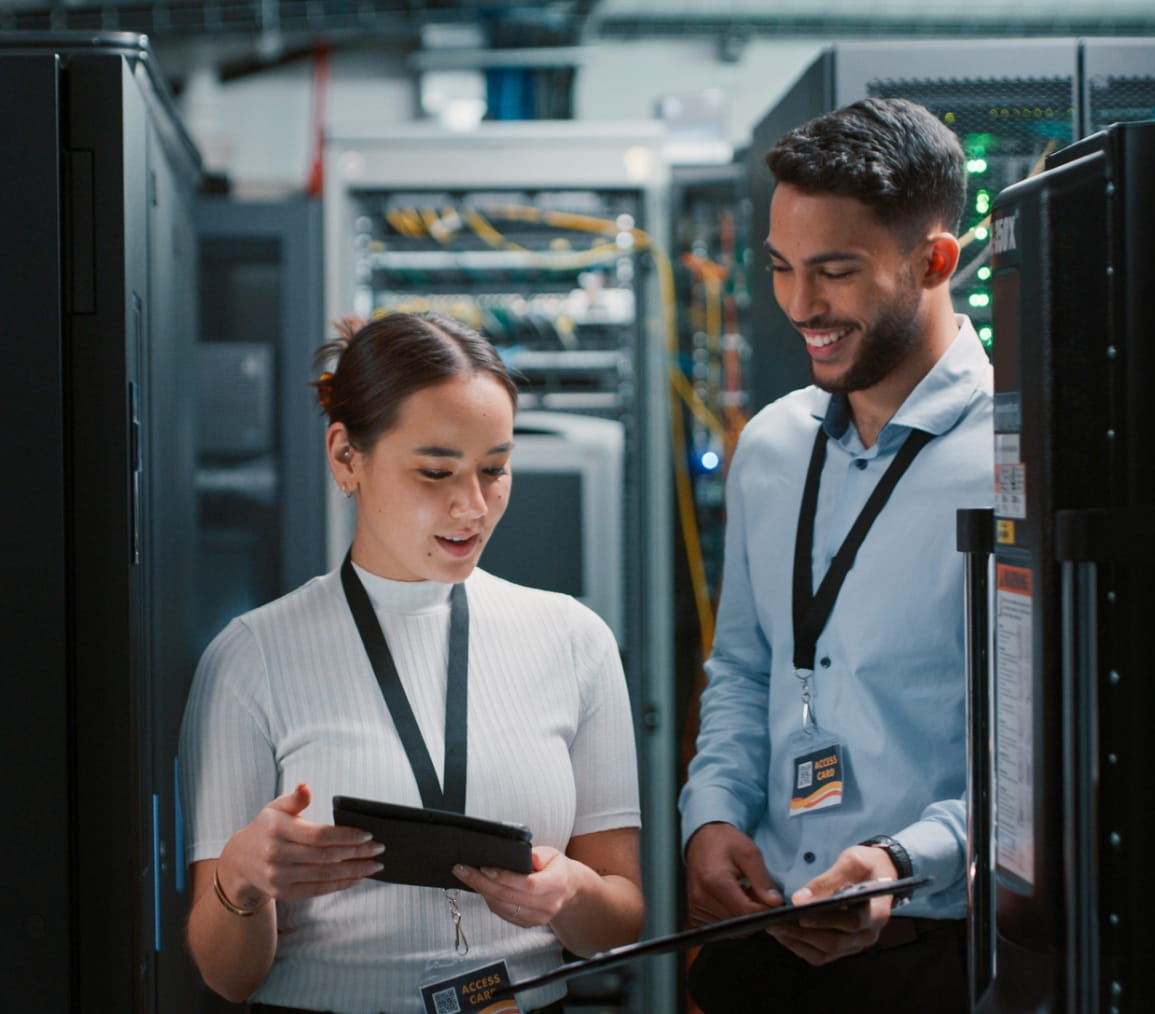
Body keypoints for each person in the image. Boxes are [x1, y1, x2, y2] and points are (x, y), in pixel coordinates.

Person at [179, 312, 644, 1014]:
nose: (473, 506)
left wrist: (571, 893)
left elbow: (620, 917)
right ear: (345, 457)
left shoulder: (575, 639)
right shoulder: (252, 658)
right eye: (435, 472)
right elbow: (227, 977)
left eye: (496, 469)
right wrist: (241, 881)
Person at [678, 97, 993, 1011]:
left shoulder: (1020, 458)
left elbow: (1044, 752)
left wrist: (904, 861)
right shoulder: (773, 447)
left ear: (936, 261)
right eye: (781, 269)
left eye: (835, 273)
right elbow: (743, 667)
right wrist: (713, 817)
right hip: (767, 934)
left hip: (937, 945)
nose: (799, 307)